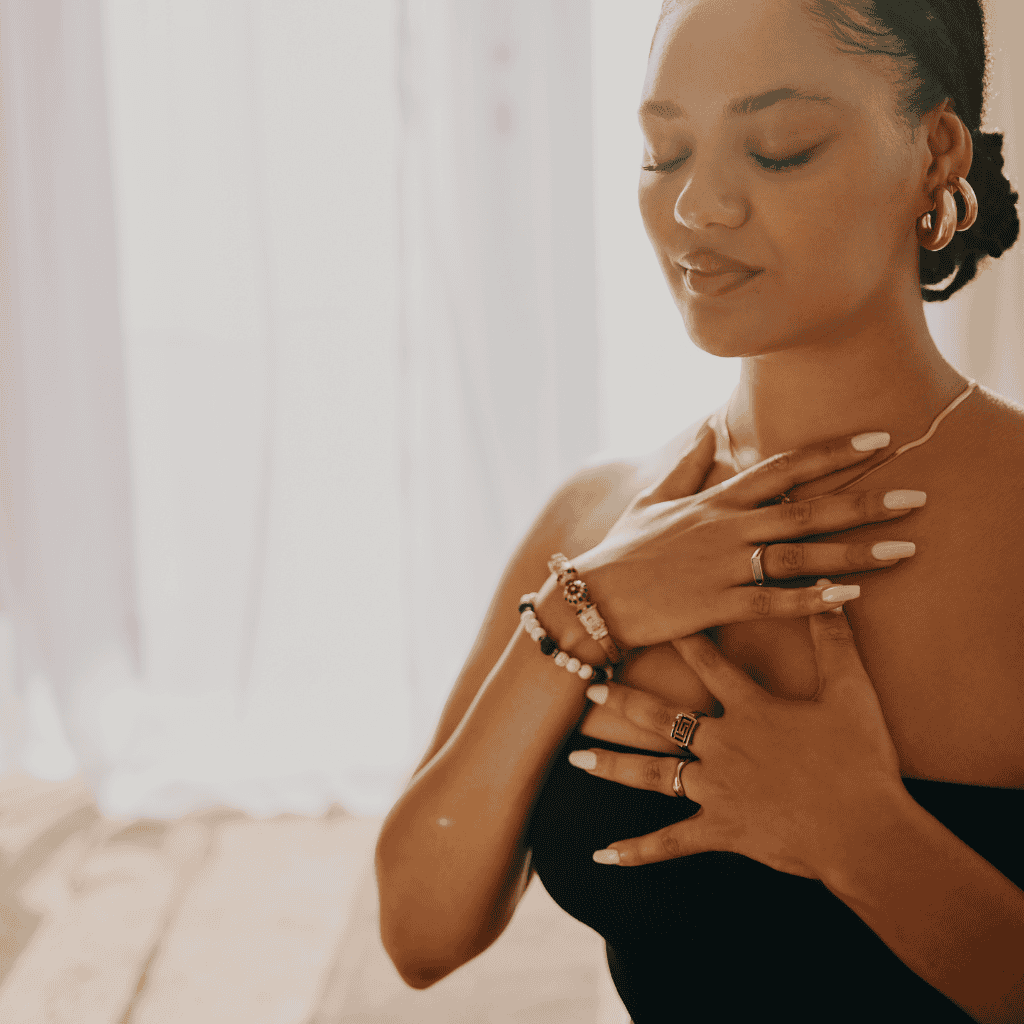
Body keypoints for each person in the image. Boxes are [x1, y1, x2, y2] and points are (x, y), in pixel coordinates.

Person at [374, 1, 1023, 1020]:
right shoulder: (593, 519)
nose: (696, 207)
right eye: (661, 150)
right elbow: (420, 932)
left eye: (778, 149)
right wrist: (584, 610)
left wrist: (862, 838)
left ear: (935, 150)